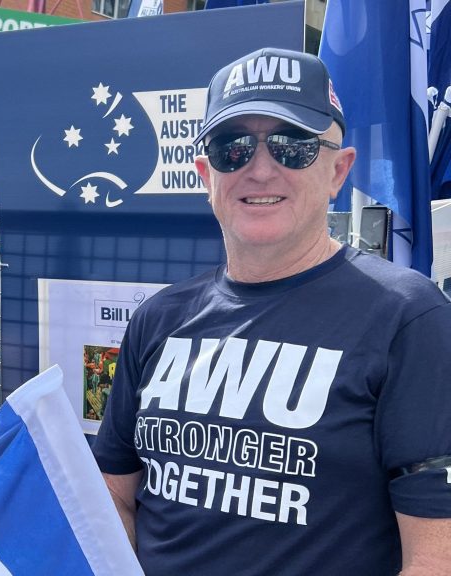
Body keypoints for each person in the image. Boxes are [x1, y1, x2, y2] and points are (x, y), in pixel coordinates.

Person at [92, 48, 451, 575]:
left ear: (338, 170)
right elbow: (113, 495)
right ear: (204, 174)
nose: (260, 169)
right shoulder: (159, 319)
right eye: (230, 148)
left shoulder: (408, 317)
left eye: (294, 146)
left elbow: (435, 558)